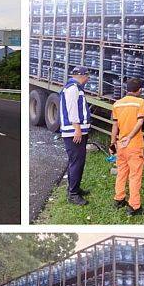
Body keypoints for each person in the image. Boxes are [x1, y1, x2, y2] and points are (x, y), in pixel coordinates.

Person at [111, 78, 144, 216]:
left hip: (121, 145)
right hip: (134, 145)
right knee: (134, 176)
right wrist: (130, 137)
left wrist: (112, 143)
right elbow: (140, 122)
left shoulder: (117, 104)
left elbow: (115, 125)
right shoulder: (140, 102)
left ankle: (119, 199)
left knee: (121, 172)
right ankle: (134, 207)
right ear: (139, 90)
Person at [59, 66, 92, 205]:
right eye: (87, 76)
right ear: (82, 75)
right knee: (76, 163)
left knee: (77, 162)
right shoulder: (73, 88)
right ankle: (73, 194)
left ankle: (74, 189)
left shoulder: (74, 87)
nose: (88, 79)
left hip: (76, 131)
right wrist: (77, 129)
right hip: (74, 132)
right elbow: (72, 109)